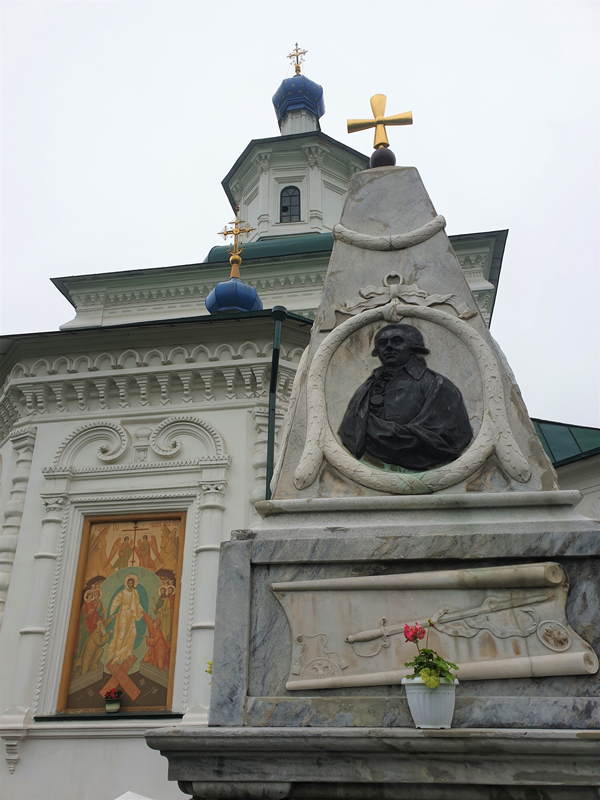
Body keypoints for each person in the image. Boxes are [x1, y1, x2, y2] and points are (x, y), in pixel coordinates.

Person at [338, 324, 473, 471]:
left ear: (413, 348)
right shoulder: (367, 387)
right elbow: (350, 428)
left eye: (397, 341)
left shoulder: (437, 385)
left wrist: (372, 427)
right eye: (383, 343)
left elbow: (450, 437)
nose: (388, 347)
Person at [107, 575, 144, 664]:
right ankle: (118, 654)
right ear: (127, 584)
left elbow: (137, 602)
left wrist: (141, 611)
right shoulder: (123, 592)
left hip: (130, 614)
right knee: (122, 632)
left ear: (133, 584)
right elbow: (116, 600)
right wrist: (112, 611)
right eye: (129, 583)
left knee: (132, 633)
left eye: (132, 583)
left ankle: (128, 653)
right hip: (123, 613)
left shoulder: (135, 592)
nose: (130, 584)